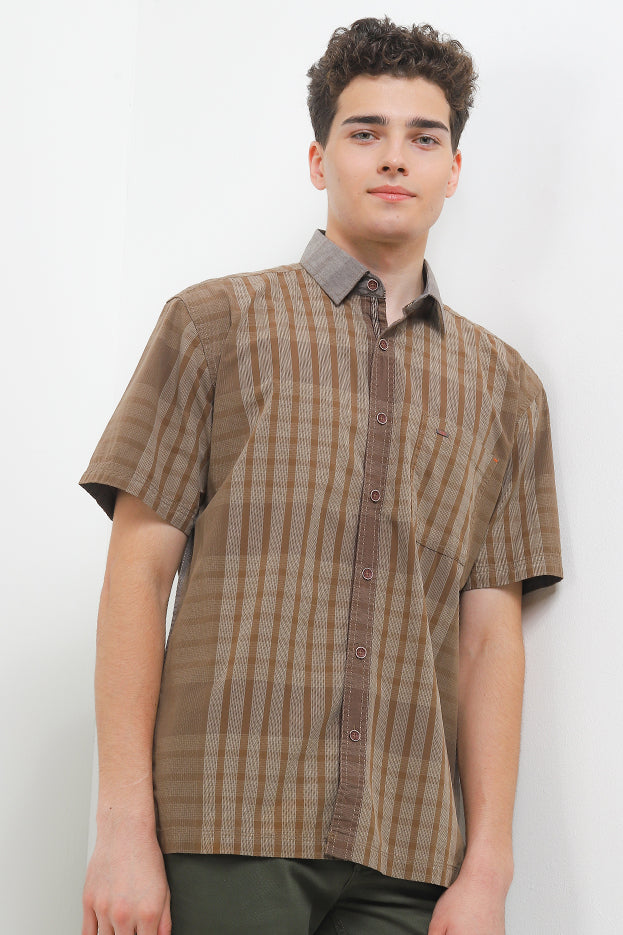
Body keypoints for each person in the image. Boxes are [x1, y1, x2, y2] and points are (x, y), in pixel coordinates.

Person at [80, 16, 562, 935]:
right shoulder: (214, 325)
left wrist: (488, 869)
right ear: (318, 159)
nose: (395, 157)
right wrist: (121, 829)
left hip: (410, 852)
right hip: (224, 822)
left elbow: (490, 640)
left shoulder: (506, 389)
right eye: (364, 131)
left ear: (453, 170)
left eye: (423, 137)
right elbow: (136, 575)